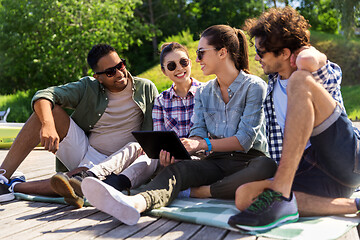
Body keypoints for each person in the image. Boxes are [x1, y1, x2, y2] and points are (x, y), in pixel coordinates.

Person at [79, 24, 278, 226]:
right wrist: (187, 146)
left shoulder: (254, 86)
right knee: (180, 169)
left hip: (249, 160)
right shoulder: (204, 92)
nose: (198, 59)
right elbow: (198, 131)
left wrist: (201, 145)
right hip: (216, 162)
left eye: (201, 53)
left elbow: (244, 140)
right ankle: (135, 203)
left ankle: (198, 192)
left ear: (222, 53)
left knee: (266, 166)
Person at [227, 7, 360, 232]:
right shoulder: (272, 86)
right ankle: (353, 204)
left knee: (299, 80)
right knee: (244, 196)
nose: (257, 57)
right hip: (315, 172)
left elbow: (309, 58)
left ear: (286, 53)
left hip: (347, 157)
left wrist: (301, 51)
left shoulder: (316, 72)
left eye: (261, 51)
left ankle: (281, 191)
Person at [0, 44, 158, 206]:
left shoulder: (145, 88)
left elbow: (158, 126)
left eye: (120, 65)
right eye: (111, 72)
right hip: (85, 151)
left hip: (124, 160)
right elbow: (44, 95)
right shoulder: (88, 87)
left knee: (76, 179)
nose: (119, 74)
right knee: (49, 111)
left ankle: (16, 185)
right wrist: (48, 125)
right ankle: (3, 176)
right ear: (98, 77)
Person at [49, 41, 202, 207]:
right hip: (166, 160)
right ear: (164, 71)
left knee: (144, 154)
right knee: (135, 147)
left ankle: (109, 185)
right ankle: (90, 178)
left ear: (190, 62)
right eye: (171, 66)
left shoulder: (206, 92)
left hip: (198, 158)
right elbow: (159, 138)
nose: (179, 68)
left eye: (183, 62)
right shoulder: (161, 100)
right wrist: (162, 154)